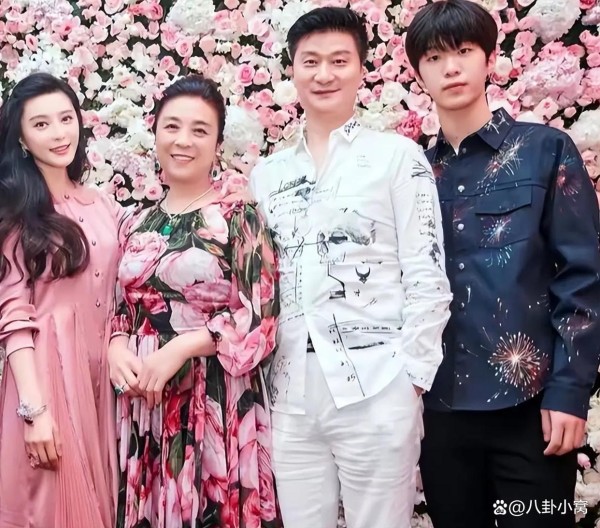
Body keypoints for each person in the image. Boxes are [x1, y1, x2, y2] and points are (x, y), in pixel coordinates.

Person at [249, 7, 453, 528]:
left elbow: (427, 273)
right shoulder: (267, 175)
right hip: (291, 391)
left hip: (378, 384)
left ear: (362, 69)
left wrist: (411, 381)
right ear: (292, 70)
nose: (324, 74)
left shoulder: (396, 158)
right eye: (310, 61)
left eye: (339, 60)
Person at [405, 1, 600, 527]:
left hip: (531, 414)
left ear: (490, 59)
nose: (451, 68)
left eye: (464, 51)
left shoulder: (545, 151)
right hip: (439, 413)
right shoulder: (410, 173)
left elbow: (583, 277)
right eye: (434, 57)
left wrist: (570, 391)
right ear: (418, 73)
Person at [108, 74, 283, 528]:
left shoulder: (238, 216)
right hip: (146, 404)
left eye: (199, 130)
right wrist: (117, 346)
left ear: (218, 144)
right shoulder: (135, 221)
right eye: (172, 126)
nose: (183, 140)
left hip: (214, 397)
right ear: (155, 133)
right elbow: (122, 308)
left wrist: (183, 347)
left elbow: (260, 319)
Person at [0, 73, 121, 527]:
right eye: (41, 124)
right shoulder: (16, 212)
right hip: (48, 378)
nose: (58, 133)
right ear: (22, 138)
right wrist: (34, 411)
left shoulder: (102, 204)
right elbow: (13, 316)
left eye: (66, 119)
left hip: (103, 379)